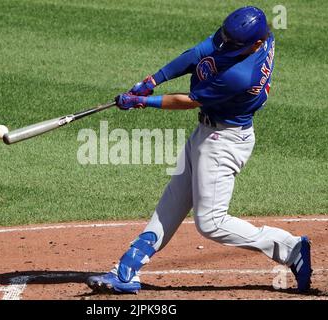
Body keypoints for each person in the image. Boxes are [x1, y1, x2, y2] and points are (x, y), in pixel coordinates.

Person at [86, 6, 312, 294]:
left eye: (232, 43)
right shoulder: (251, 36)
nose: (224, 44)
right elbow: (199, 53)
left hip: (224, 141)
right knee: (173, 201)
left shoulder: (241, 75)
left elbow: (190, 100)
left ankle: (292, 248)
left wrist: (144, 101)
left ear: (255, 44)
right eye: (225, 38)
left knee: (211, 223)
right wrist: (153, 80)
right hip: (207, 134)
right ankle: (127, 269)